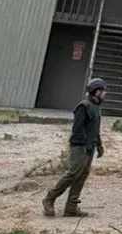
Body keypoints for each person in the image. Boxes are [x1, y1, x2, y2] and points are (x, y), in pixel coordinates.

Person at [42, 77, 107, 217]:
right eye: (103, 91)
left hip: (90, 146)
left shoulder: (96, 107)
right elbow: (78, 128)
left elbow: (94, 129)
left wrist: (99, 144)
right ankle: (50, 198)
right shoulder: (84, 106)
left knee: (82, 175)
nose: (105, 93)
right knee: (72, 173)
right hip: (80, 146)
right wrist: (86, 143)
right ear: (96, 92)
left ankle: (71, 206)